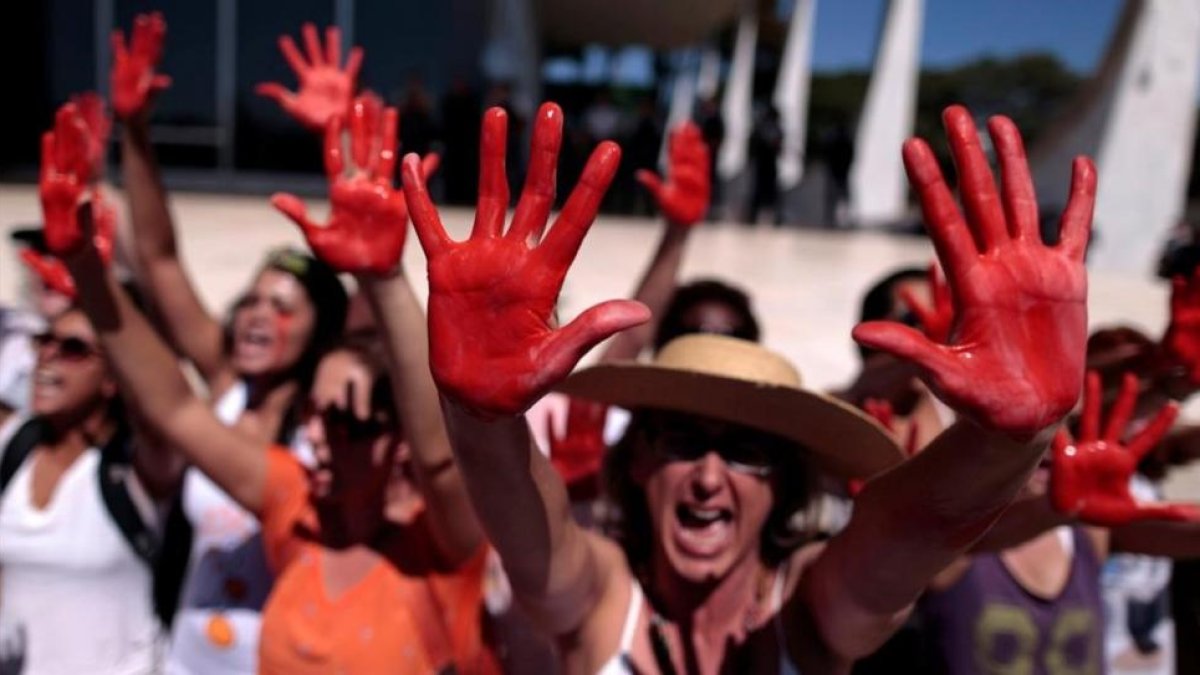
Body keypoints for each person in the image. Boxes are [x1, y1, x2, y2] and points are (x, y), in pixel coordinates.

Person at [400, 101, 1099, 672]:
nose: (709, 477)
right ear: (637, 461)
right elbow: (531, 535)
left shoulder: (809, 609)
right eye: (681, 442)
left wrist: (1011, 440)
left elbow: (908, 533)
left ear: (785, 483)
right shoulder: (603, 595)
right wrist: (481, 415)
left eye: (746, 453)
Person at [58, 95, 497, 674]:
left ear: (400, 441)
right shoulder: (298, 508)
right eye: (313, 413)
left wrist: (385, 277)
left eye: (344, 421)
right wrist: (85, 266)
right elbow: (175, 408)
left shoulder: (441, 549)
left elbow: (440, 461)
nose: (316, 436)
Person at [111, 14, 351, 672]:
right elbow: (158, 261)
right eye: (251, 299)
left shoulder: (331, 417)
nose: (256, 316)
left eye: (283, 306)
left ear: (321, 330)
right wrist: (135, 131)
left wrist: (341, 146)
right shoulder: (223, 384)